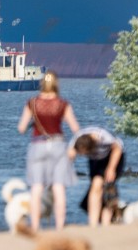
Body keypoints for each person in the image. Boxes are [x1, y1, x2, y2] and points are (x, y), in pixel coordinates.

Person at [17, 71, 79, 231]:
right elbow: (75, 129)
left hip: (37, 145)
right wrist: (73, 148)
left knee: (36, 188)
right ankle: (59, 226)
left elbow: (21, 128)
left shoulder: (32, 103)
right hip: (58, 145)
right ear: (56, 84)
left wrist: (33, 124)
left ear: (41, 85)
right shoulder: (63, 104)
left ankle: (35, 226)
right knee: (59, 188)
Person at [69, 127, 124, 226]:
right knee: (96, 187)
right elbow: (70, 155)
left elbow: (117, 148)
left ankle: (106, 222)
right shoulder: (76, 140)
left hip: (114, 156)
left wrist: (111, 168)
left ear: (91, 148)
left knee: (106, 186)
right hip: (96, 160)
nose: (81, 156)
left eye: (84, 153)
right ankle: (93, 223)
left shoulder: (104, 138)